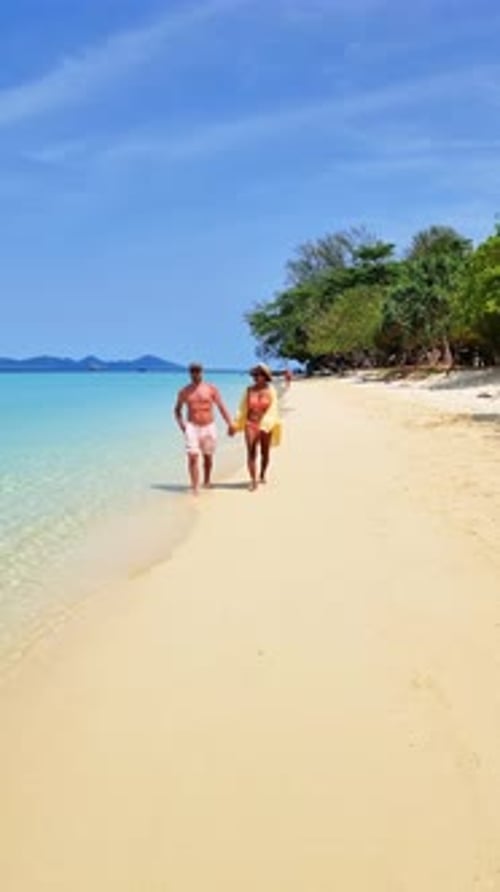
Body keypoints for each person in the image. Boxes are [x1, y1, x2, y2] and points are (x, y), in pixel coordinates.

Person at [174, 362, 233, 494]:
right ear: (189, 373)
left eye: (198, 371)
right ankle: (195, 486)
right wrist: (182, 426)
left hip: (209, 426)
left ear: (202, 372)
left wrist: (230, 423)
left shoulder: (211, 389)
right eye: (193, 371)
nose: (195, 374)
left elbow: (221, 407)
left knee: (208, 457)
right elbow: (177, 410)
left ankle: (207, 481)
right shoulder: (184, 391)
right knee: (192, 456)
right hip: (192, 427)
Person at [231, 363, 282, 491]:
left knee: (265, 452)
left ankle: (262, 474)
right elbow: (242, 408)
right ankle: (253, 480)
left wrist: (266, 424)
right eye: (255, 374)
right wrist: (235, 424)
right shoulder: (249, 390)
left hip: (266, 424)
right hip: (250, 423)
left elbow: (274, 409)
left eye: (259, 374)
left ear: (265, 376)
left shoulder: (271, 390)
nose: (257, 377)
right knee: (251, 452)